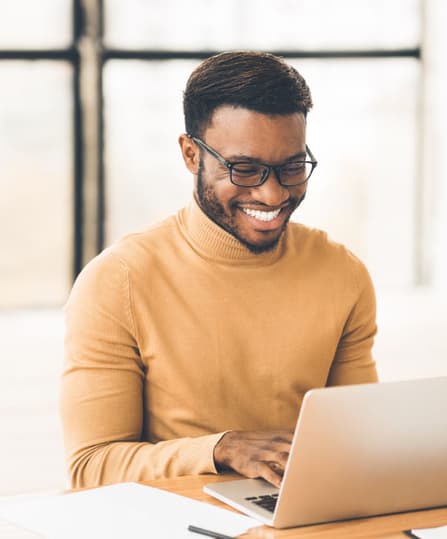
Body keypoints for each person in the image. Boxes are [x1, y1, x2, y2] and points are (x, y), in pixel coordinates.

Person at [60, 51, 379, 489]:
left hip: (302, 513)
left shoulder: (342, 273)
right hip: (173, 520)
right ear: (191, 155)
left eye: (291, 167)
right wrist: (220, 448)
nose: (271, 195)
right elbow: (91, 466)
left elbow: (360, 438)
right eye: (244, 169)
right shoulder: (118, 281)